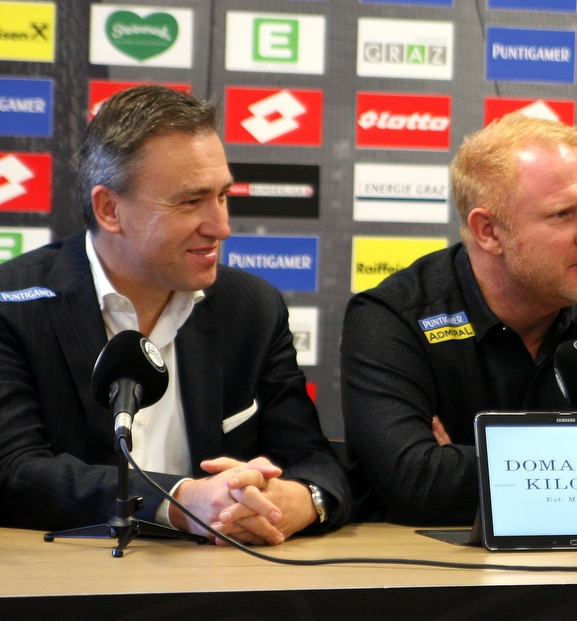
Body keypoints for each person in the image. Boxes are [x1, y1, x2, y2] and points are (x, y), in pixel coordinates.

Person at [0, 86, 350, 544]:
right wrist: (182, 501)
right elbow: (14, 472)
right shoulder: (14, 305)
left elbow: (315, 460)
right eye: (190, 202)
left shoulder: (252, 308)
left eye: (223, 195)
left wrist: (295, 501)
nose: (221, 225)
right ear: (110, 209)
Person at [341, 113, 577, 525]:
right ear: (488, 231)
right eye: (562, 214)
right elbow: (415, 485)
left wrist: (472, 459)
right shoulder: (394, 319)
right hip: (443, 577)